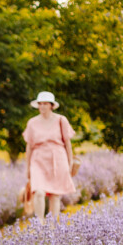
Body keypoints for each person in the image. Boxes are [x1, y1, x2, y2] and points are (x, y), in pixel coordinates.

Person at [23, 91, 76, 222]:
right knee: (39, 192)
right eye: (40, 104)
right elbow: (29, 147)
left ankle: (52, 227)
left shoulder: (61, 120)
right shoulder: (32, 123)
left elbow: (67, 144)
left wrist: (70, 163)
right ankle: (40, 226)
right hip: (38, 159)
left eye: (45, 104)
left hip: (57, 159)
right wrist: (28, 167)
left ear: (51, 105)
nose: (42, 107)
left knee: (55, 194)